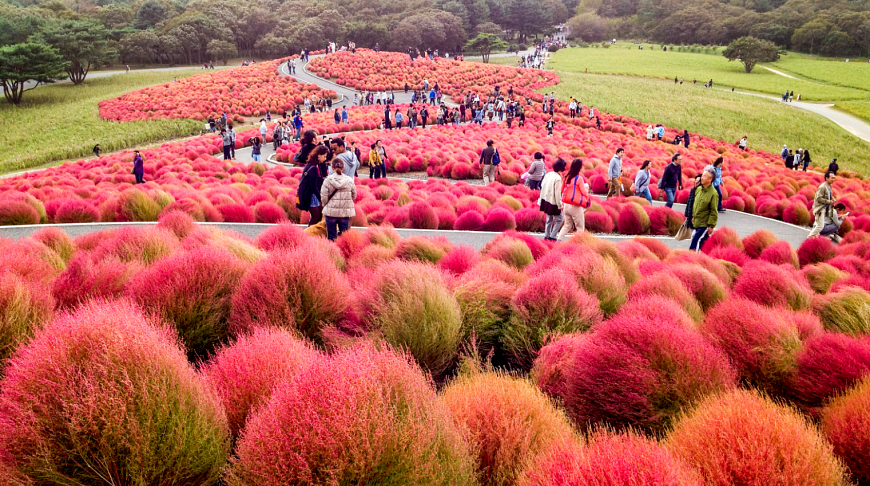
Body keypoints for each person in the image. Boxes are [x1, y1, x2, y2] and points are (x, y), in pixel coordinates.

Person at [320, 158, 357, 241]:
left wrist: (326, 205)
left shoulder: (327, 181)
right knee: (344, 237)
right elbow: (354, 196)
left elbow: (323, 197)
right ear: (343, 168)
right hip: (345, 213)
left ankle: (332, 252)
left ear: (332, 168)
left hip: (330, 213)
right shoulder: (349, 180)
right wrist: (347, 202)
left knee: (331, 236)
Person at [557, 158, 592, 241]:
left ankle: (558, 240)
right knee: (580, 227)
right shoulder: (579, 179)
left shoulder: (566, 177)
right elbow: (584, 192)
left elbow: (561, 190)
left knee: (567, 225)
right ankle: (578, 244)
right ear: (579, 167)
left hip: (566, 205)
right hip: (575, 206)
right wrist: (587, 187)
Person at [296, 145, 330, 226]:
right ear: (319, 155)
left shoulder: (315, 165)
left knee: (318, 216)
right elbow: (313, 187)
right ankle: (309, 233)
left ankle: (312, 233)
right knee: (316, 216)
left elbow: (319, 180)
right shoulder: (313, 167)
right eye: (324, 156)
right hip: (310, 196)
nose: (325, 158)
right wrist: (321, 198)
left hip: (313, 195)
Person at [689, 169, 718, 252]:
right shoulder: (698, 190)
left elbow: (713, 211)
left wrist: (711, 225)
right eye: (702, 175)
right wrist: (693, 217)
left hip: (704, 224)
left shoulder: (713, 193)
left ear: (710, 179)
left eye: (704, 176)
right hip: (697, 221)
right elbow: (696, 205)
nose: (702, 178)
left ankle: (692, 258)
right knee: (704, 241)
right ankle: (709, 255)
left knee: (696, 240)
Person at [539, 158, 566, 241]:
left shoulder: (549, 174)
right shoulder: (558, 178)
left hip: (546, 200)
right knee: (560, 219)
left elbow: (542, 185)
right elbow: (558, 194)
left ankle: (547, 236)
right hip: (553, 202)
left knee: (549, 219)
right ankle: (553, 236)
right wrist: (560, 205)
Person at [809, 171, 837, 238]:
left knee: (820, 225)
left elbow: (829, 195)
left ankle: (814, 238)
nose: (833, 179)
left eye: (834, 178)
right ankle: (809, 237)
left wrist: (832, 199)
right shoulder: (822, 187)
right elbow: (819, 198)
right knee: (820, 226)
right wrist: (828, 202)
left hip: (825, 209)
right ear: (827, 178)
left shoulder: (829, 186)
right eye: (832, 178)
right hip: (819, 209)